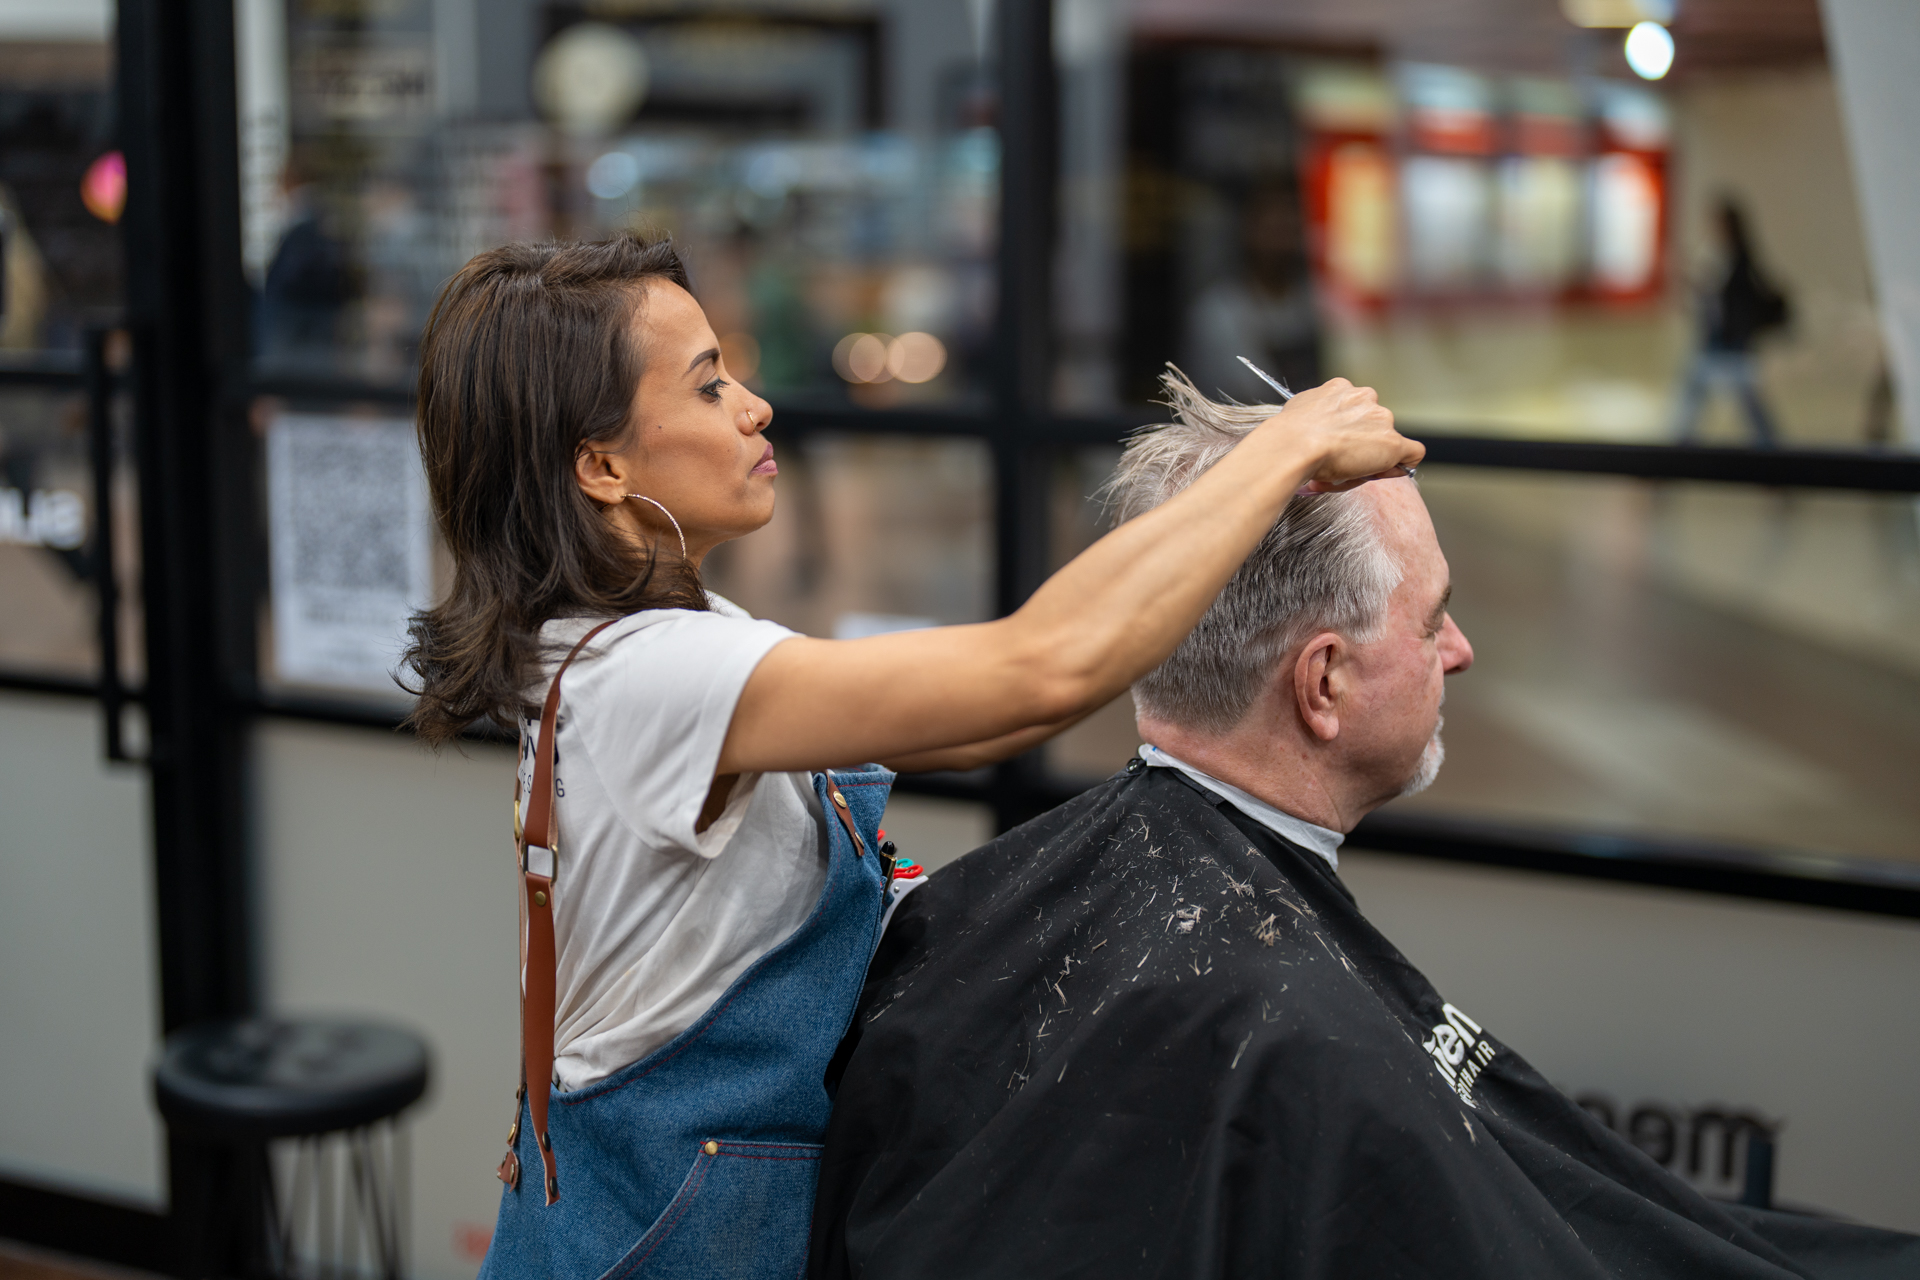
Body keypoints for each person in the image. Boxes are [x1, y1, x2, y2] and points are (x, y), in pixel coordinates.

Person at [400, 235, 1419, 1279]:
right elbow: (1041, 671)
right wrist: (1280, 452)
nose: (754, 406)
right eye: (709, 387)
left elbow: (983, 722)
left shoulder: (629, 642)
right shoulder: (655, 676)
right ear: (602, 465)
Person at [811, 372, 1920, 1279]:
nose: (1461, 649)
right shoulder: (1292, 1035)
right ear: (1325, 683)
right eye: (1432, 617)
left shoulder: (990, 907)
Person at [1672, 196, 1791, 447]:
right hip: (1717, 341)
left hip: (1733, 343)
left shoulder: (1739, 261)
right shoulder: (1722, 256)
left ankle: (1774, 460)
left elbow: (1730, 299)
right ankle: (1672, 458)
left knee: (1746, 402)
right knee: (1694, 399)